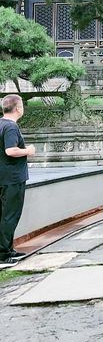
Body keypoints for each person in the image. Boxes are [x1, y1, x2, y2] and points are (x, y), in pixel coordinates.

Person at [0, 95, 34, 265]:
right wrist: (28, 150)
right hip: (12, 178)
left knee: (4, 215)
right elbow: (11, 150)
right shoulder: (11, 126)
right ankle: (3, 255)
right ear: (18, 108)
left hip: (3, 177)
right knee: (10, 216)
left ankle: (8, 250)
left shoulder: (1, 124)